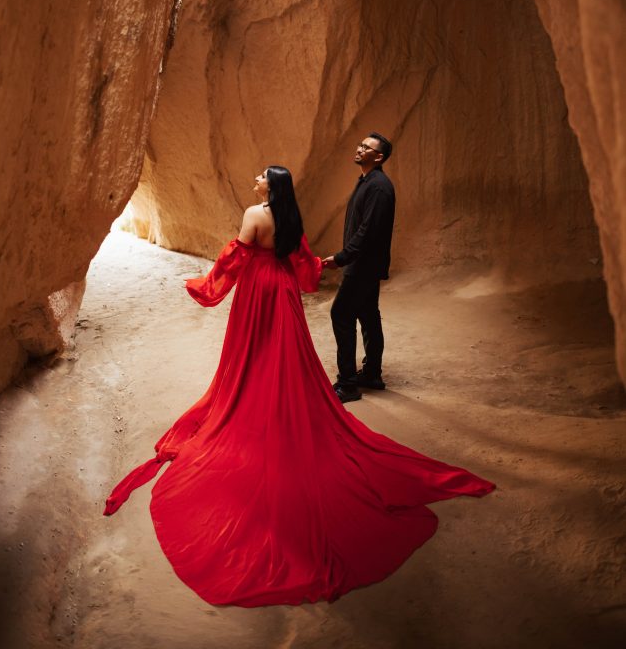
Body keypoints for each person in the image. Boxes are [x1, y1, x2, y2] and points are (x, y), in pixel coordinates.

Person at [103, 165, 495, 607]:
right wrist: (314, 268)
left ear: (269, 186)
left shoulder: (255, 213)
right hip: (283, 290)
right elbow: (301, 262)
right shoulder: (291, 215)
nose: (254, 178)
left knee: (252, 353)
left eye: (261, 176)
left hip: (258, 290)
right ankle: (282, 400)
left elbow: (236, 259)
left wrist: (204, 286)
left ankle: (256, 403)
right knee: (288, 356)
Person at [323, 132, 395, 403]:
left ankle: (348, 385)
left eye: (366, 147)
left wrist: (342, 258)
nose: (359, 148)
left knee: (341, 314)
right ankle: (372, 374)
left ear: (378, 157)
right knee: (367, 314)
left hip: (362, 265)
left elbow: (367, 233)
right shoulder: (369, 181)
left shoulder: (378, 186)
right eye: (360, 144)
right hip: (364, 264)